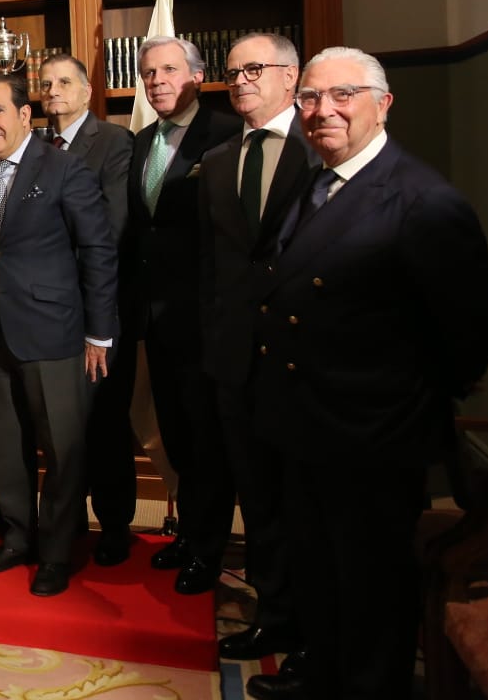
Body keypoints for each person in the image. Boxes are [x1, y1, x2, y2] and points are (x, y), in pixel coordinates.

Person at [244, 48, 488, 700]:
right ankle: (324, 680)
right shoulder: (317, 178)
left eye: (343, 95)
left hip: (372, 439)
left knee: (372, 596)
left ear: (383, 104)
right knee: (320, 580)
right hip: (302, 428)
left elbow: (474, 325)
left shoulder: (422, 200)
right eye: (309, 97)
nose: (323, 110)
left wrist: (413, 390)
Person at [0, 77, 116, 596]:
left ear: (25, 114)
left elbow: (98, 251)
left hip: (54, 331)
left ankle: (57, 552)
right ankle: (17, 538)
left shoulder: (65, 169)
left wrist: (100, 333)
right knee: (4, 443)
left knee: (61, 449)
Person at [198, 33, 316, 661]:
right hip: (235, 360)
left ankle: (316, 630)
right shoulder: (218, 161)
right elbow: (210, 267)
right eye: (233, 70)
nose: (240, 79)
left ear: (292, 77)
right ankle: (275, 616)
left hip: (306, 363)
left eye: (255, 69)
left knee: (309, 504)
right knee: (260, 500)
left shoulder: (322, 148)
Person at [125, 37, 237, 595]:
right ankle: (189, 536)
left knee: (206, 439)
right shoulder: (143, 139)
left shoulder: (226, 134)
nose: (158, 81)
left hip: (203, 317)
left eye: (169, 70)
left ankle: (210, 550)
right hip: (154, 318)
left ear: (197, 75)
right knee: (177, 435)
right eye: (148, 73)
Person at [35, 53, 136, 566]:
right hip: (46, 315)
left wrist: (50, 269)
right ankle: (65, 522)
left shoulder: (113, 142)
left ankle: (115, 525)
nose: (53, 90)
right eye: (45, 83)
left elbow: (111, 228)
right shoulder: (34, 145)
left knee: (104, 425)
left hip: (96, 307)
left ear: (87, 90)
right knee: (56, 427)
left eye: (64, 82)